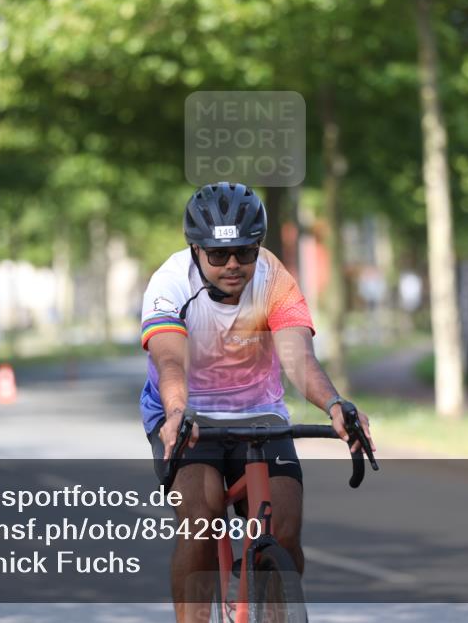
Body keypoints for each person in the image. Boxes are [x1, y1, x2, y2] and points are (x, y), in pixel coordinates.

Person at [140, 182, 374, 622]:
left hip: (260, 412)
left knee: (283, 533)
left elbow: (299, 359)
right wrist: (176, 413)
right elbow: (170, 361)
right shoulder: (169, 284)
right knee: (202, 517)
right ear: (195, 249)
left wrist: (335, 405)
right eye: (218, 255)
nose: (233, 265)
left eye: (245, 253)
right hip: (187, 413)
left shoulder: (273, 279)